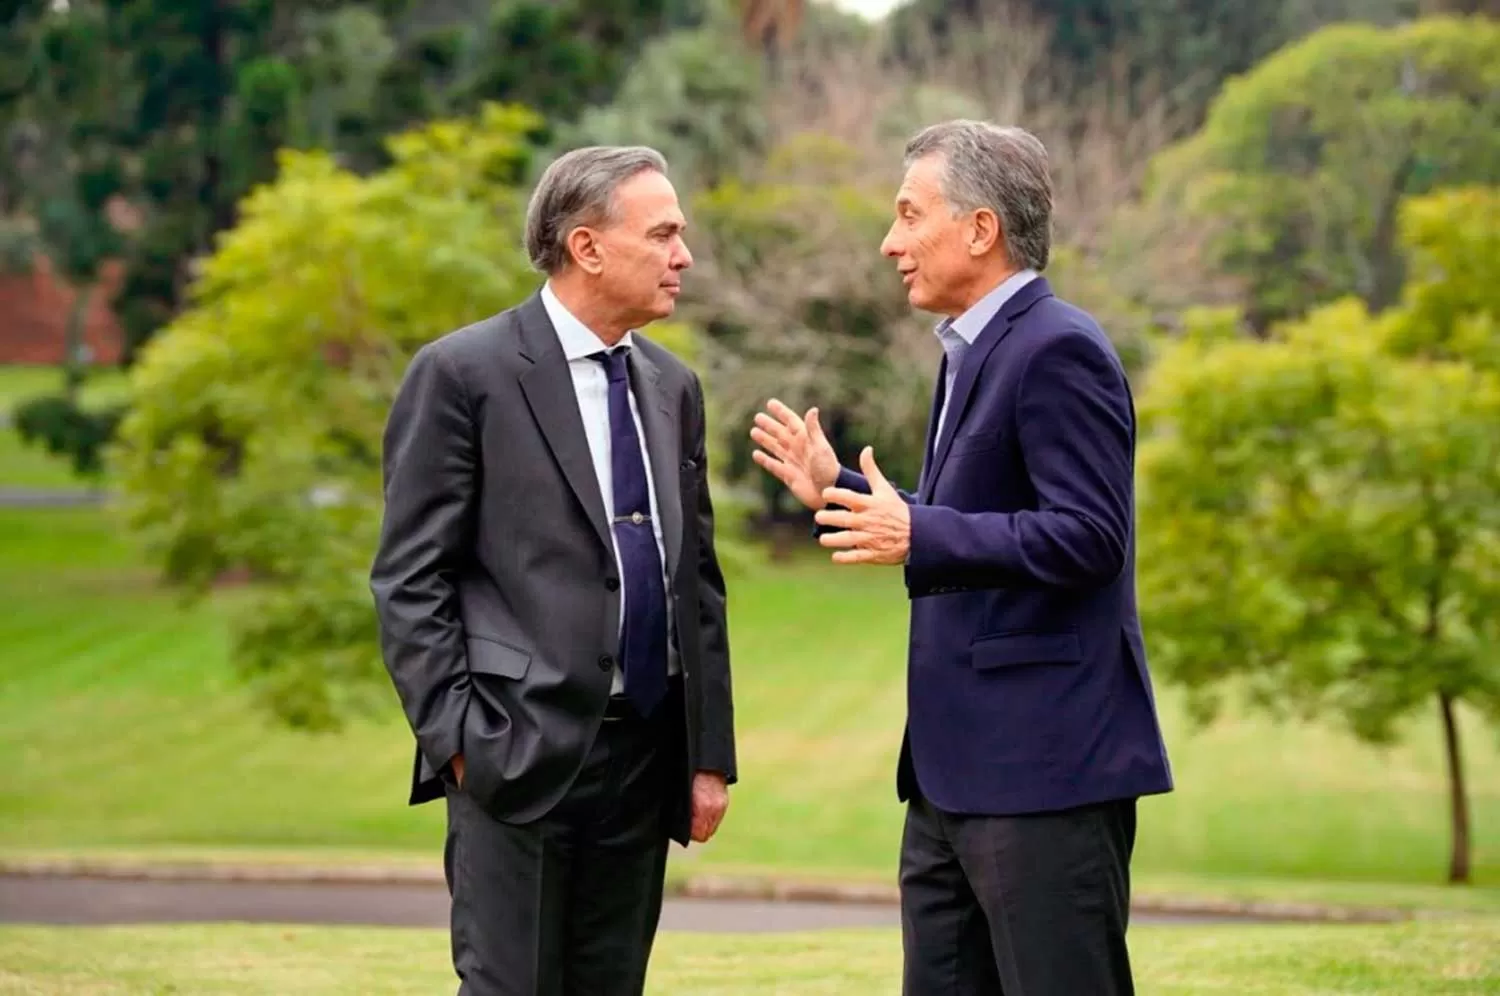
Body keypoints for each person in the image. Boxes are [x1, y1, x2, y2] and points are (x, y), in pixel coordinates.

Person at [750, 120, 1173, 995]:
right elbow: (971, 520)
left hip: (1044, 773)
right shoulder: (968, 354)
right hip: (950, 781)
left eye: (910, 215)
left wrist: (920, 532)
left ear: (980, 229)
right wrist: (845, 494)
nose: (889, 242)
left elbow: (1091, 536)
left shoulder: (1059, 348)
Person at [370, 145, 736, 996]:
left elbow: (697, 583)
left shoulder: (673, 385)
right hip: (513, 754)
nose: (683, 256)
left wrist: (707, 753)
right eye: (665, 234)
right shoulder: (462, 374)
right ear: (587, 247)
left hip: (646, 763)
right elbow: (410, 579)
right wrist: (460, 743)